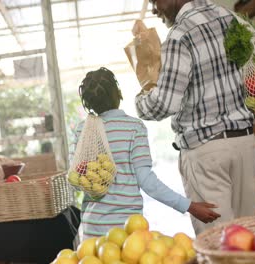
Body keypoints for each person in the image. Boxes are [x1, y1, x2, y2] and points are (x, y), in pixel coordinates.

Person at [135, 0, 255, 235]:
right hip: (244, 142)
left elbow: (164, 103)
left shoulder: (180, 35)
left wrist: (141, 100)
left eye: (154, 1)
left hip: (207, 152)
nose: (153, 9)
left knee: (218, 244)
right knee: (247, 238)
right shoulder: (230, 18)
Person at [69, 67, 220, 239]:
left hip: (93, 230)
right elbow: (147, 181)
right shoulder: (134, 128)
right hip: (128, 231)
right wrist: (189, 206)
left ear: (89, 103)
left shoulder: (83, 130)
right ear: (118, 93)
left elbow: (75, 180)